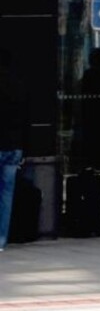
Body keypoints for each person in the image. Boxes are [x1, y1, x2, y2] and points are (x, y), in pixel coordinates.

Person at [0, 49, 29, 252]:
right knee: (6, 195)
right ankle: (1, 239)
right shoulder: (19, 86)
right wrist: (24, 149)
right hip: (14, 147)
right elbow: (26, 121)